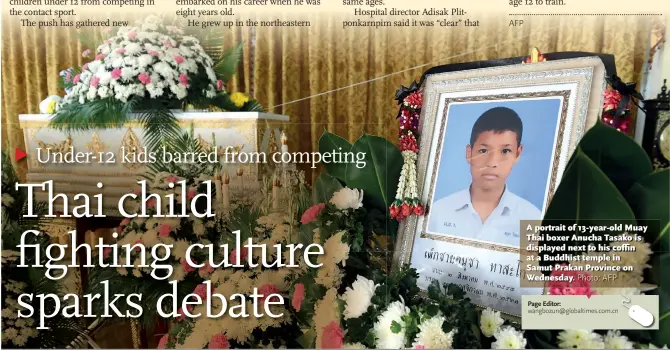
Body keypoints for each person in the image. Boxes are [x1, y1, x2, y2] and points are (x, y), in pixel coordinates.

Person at [427, 106, 542, 246]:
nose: (492, 163)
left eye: (505, 151)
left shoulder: (533, 219)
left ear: (517, 154)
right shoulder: (438, 212)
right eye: (483, 150)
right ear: (469, 153)